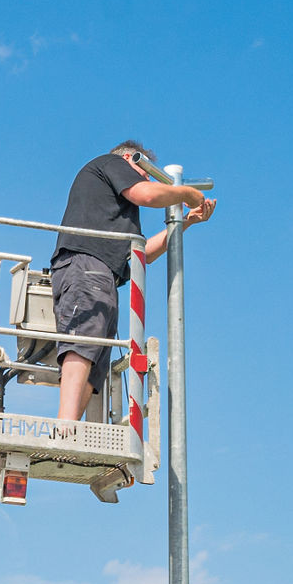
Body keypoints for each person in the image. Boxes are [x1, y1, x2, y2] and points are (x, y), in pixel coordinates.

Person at [47, 139, 210, 429]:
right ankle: (65, 426)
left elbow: (142, 255)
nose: (144, 178)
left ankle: (72, 429)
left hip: (104, 274)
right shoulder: (111, 163)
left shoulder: (115, 216)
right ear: (129, 158)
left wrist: (185, 222)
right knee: (83, 342)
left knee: (94, 359)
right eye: (143, 172)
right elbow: (146, 194)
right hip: (87, 265)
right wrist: (185, 192)